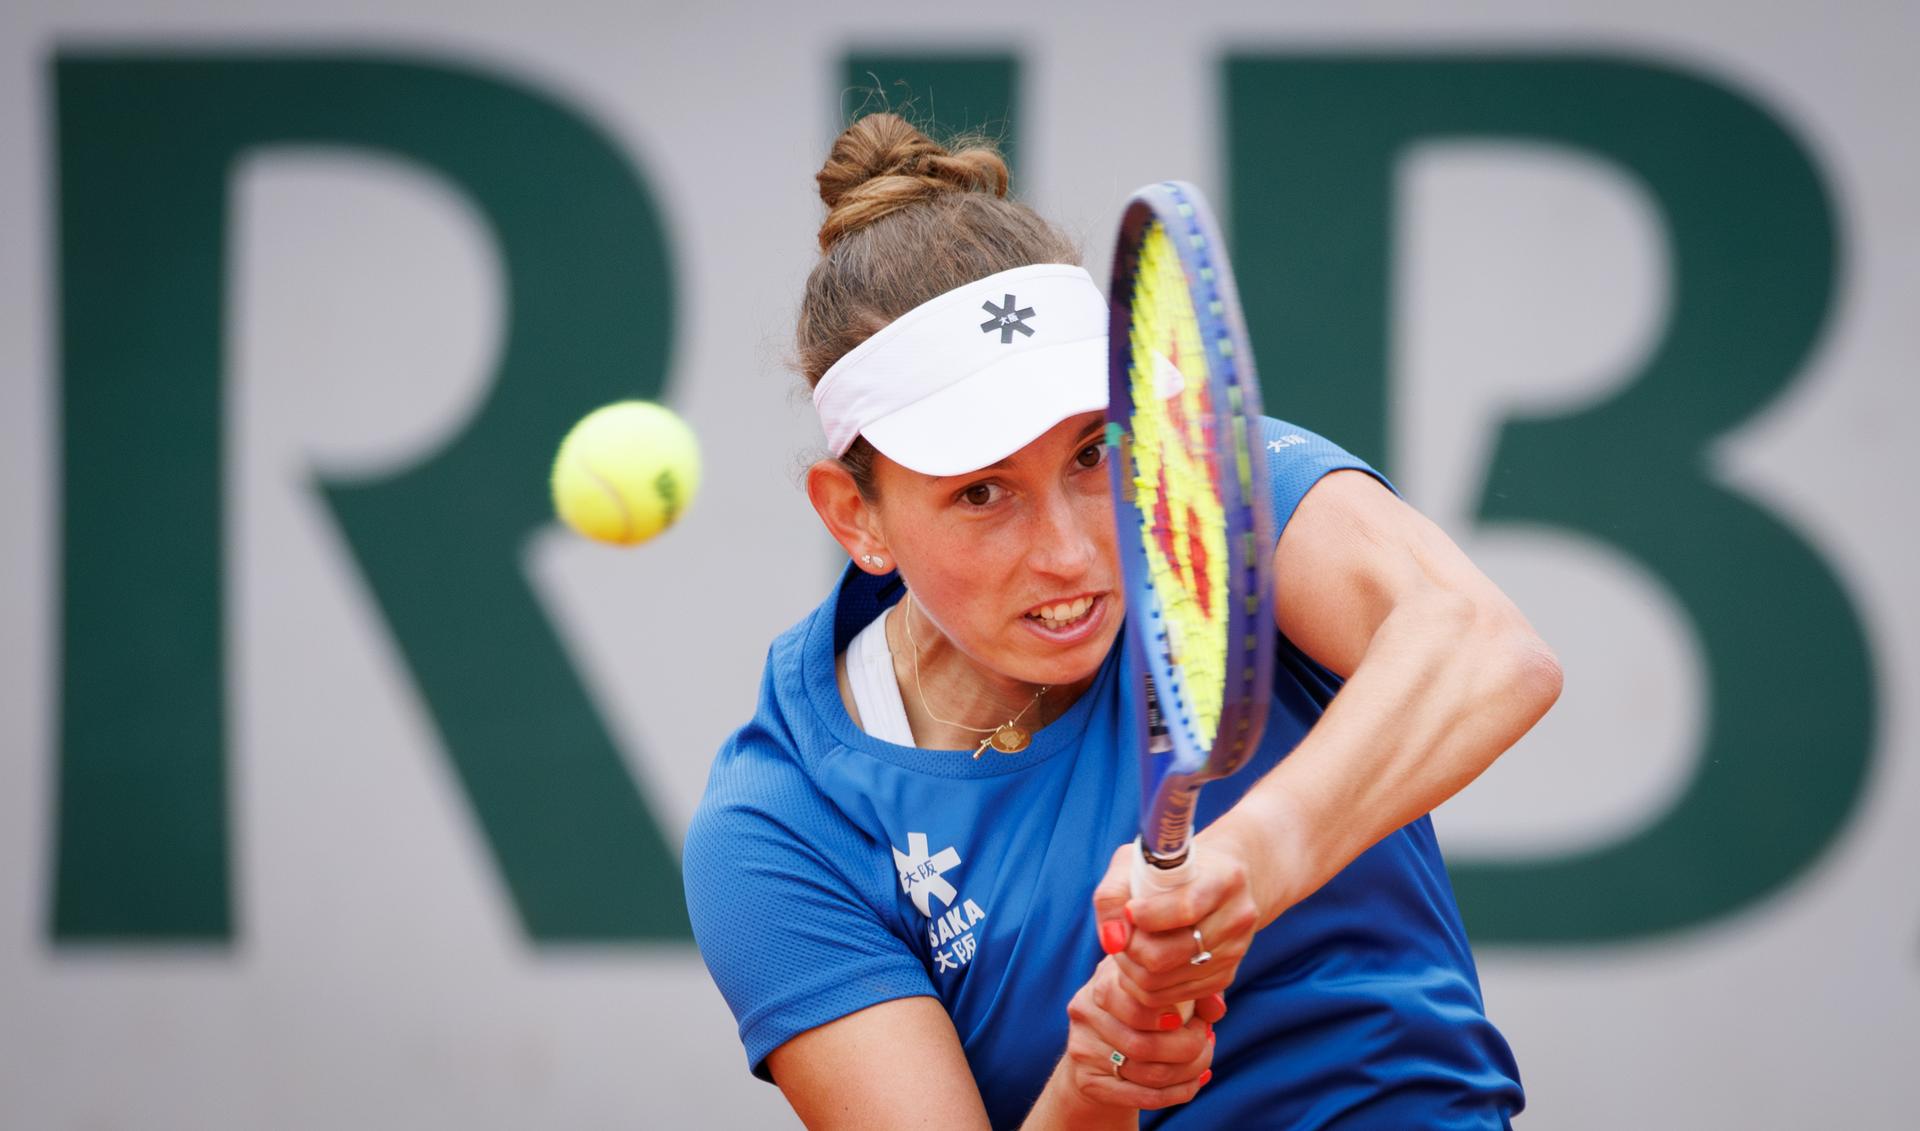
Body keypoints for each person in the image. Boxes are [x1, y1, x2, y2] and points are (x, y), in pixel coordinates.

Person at [682, 113, 1561, 1130]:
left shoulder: (1211, 485)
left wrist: (1249, 859)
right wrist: (1099, 1078)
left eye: (1093, 454)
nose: (1068, 552)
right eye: (981, 492)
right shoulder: (780, 825)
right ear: (855, 517)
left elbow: (1487, 648)